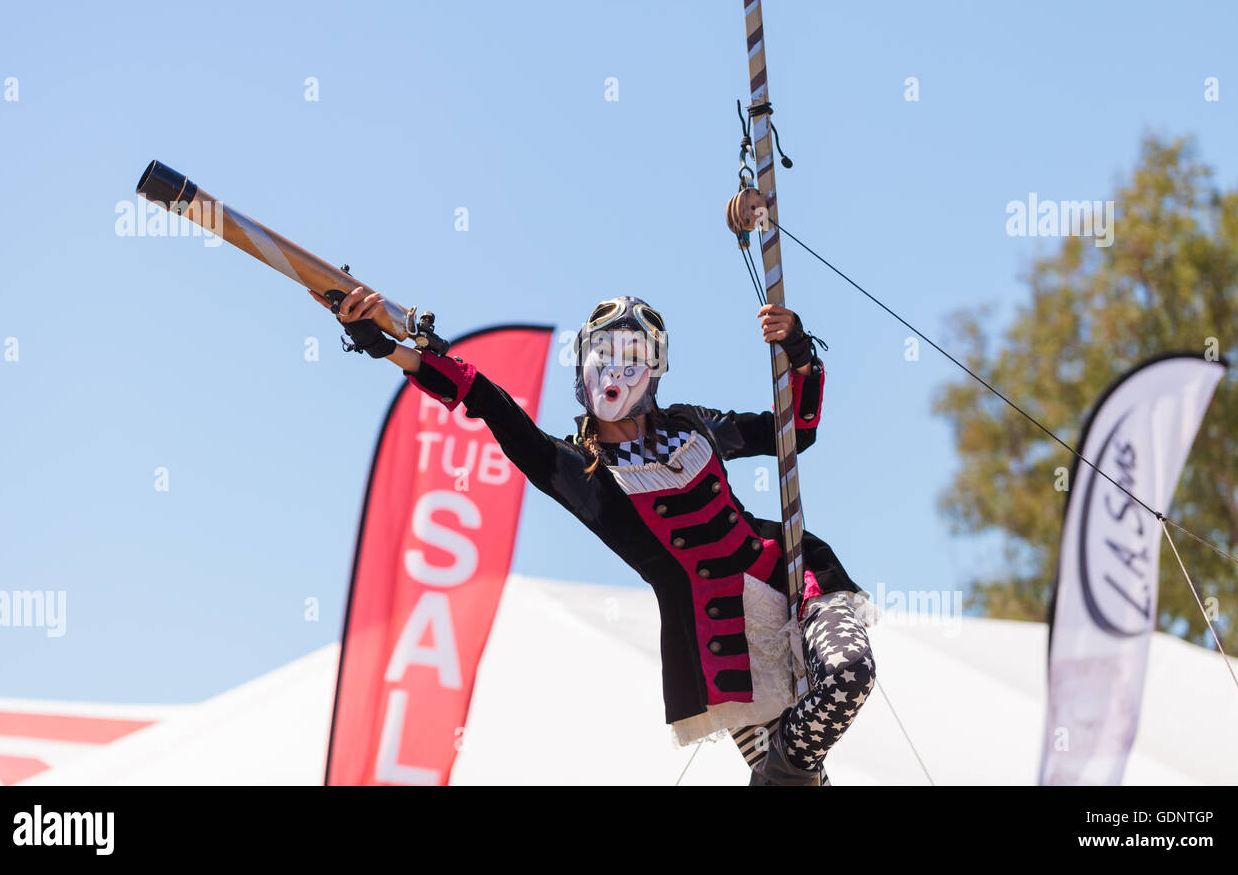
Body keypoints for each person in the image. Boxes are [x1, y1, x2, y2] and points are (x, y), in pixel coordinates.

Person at [312, 286, 877, 785]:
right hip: (722, 647)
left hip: (792, 578)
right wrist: (392, 348)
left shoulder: (692, 424)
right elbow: (489, 404)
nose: (616, 370)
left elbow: (794, 433)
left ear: (654, 369)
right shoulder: (576, 467)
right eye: (604, 354)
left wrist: (798, 352)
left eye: (633, 357)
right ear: (582, 364)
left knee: (850, 673)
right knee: (806, 776)